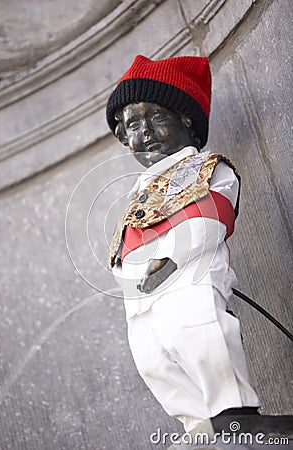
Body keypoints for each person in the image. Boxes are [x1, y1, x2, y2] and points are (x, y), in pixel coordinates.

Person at [106, 54, 260, 434]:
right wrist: (124, 271)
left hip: (189, 276)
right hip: (143, 296)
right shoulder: (137, 192)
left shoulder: (207, 169)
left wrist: (172, 258)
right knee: (152, 359)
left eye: (156, 118)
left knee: (199, 332)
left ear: (186, 122)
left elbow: (213, 215)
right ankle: (197, 423)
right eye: (133, 126)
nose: (146, 134)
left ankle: (232, 411)